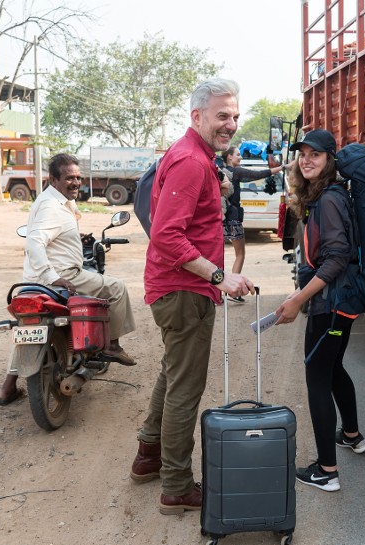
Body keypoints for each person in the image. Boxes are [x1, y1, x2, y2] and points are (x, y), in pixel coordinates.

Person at [129, 78, 255, 515]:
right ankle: (177, 486)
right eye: (223, 115)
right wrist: (221, 276)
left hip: (179, 287)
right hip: (183, 289)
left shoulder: (198, 158)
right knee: (185, 388)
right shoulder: (190, 161)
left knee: (172, 373)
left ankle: (148, 456)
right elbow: (166, 236)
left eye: (235, 116)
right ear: (197, 116)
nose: (231, 124)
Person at [0, 153, 137, 406]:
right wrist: (54, 276)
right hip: (61, 275)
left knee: (28, 331)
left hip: (32, 282)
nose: (76, 182)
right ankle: (112, 345)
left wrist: (74, 236)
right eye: (69, 178)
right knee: (116, 288)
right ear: (54, 179)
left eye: (78, 177)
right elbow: (35, 241)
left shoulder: (51, 200)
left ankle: (8, 386)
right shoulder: (52, 206)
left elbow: (48, 233)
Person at [274, 129, 365, 492]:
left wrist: (298, 299)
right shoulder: (332, 196)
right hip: (342, 303)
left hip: (329, 305)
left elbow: (335, 259)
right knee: (332, 369)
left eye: (316, 154)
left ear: (330, 159)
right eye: (303, 154)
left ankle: (326, 471)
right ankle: (352, 435)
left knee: (316, 378)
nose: (307, 159)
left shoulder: (328, 200)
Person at [219, 146, 290, 302]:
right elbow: (260, 174)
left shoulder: (219, 171)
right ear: (229, 157)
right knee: (240, 254)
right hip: (233, 219)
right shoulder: (236, 172)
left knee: (218, 256)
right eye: (237, 155)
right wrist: (283, 167)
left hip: (219, 219)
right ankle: (234, 292)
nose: (240, 157)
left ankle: (216, 292)